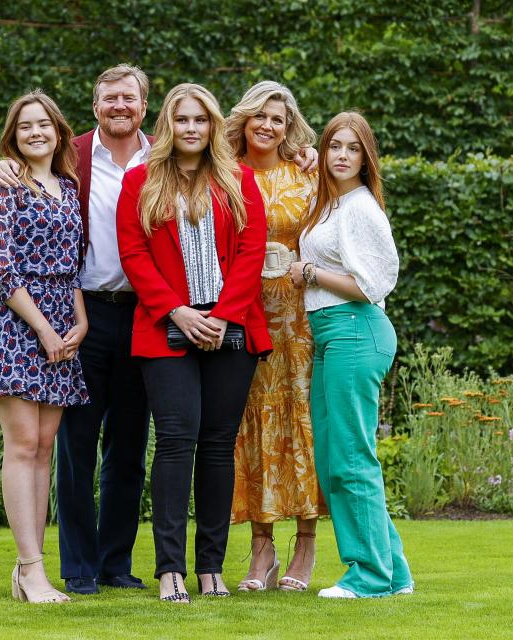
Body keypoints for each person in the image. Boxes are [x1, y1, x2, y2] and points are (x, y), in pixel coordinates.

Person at [0, 65, 153, 595]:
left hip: (139, 313)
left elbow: (222, 156)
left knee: (126, 444)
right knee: (69, 445)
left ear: (144, 104)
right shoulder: (73, 155)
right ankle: (74, 568)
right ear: (94, 104)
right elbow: (8, 206)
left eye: (129, 97)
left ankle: (114, 565)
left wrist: (299, 152)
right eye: (109, 98)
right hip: (68, 316)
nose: (119, 105)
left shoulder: (164, 153)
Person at [115, 83, 271, 602]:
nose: (190, 129)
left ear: (212, 127)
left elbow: (251, 253)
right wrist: (178, 310)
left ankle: (210, 569)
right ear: (167, 126)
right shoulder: (140, 181)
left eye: (200, 121)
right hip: (165, 327)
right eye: (181, 120)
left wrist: (223, 316)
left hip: (232, 329)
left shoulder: (240, 180)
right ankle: (169, 570)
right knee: (176, 441)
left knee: (218, 446)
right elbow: (133, 255)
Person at [0, 90, 89, 604]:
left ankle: (31, 571)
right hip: (16, 322)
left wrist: (78, 321)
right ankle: (30, 569)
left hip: (61, 322)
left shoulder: (68, 185)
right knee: (22, 445)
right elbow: (0, 268)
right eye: (25, 126)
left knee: (44, 449)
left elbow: (72, 265)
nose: (36, 133)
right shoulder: (5, 186)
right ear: (13, 137)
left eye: (44, 125)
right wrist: (44, 328)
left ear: (58, 132)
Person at [289, 111, 413, 599]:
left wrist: (310, 272)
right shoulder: (334, 203)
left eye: (352, 148)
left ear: (366, 157)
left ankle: (368, 575)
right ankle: (394, 571)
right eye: (334, 146)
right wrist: (305, 160)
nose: (342, 155)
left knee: (350, 457)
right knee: (334, 456)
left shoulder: (361, 208)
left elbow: (372, 284)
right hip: (331, 335)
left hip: (355, 331)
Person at [224, 81, 327, 592]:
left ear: (289, 129)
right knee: (250, 421)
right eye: (260, 116)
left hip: (300, 320)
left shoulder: (306, 176)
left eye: (278, 120)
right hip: (243, 316)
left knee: (301, 417)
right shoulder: (222, 173)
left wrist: (316, 156)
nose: (267, 126)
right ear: (243, 118)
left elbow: (335, 235)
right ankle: (260, 550)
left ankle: (305, 545)